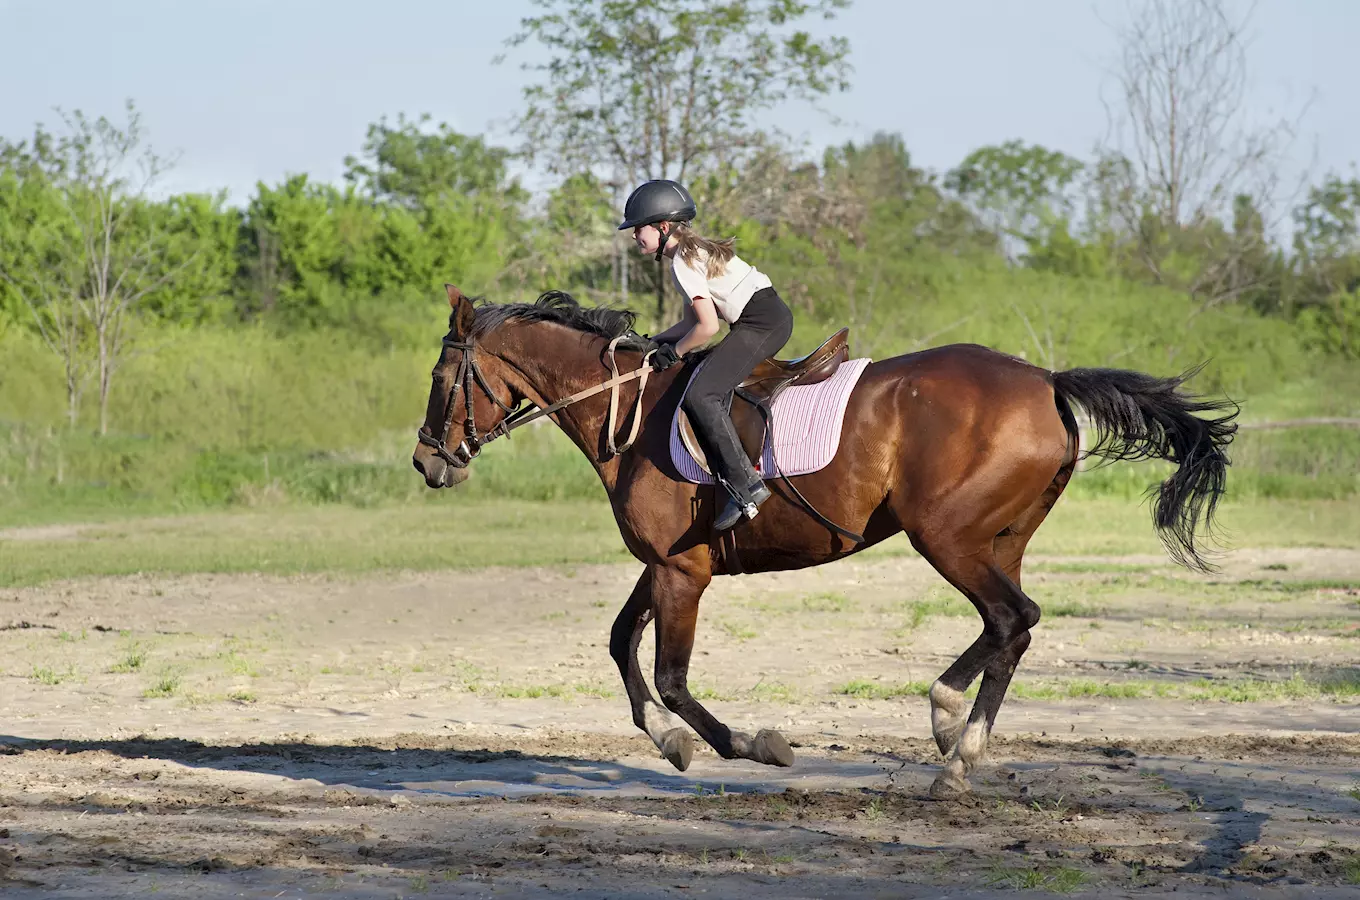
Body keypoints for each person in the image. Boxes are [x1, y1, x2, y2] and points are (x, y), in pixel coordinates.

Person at [618, 179, 794, 531]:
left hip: (760, 323)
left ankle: (746, 486)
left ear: (663, 227)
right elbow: (689, 322)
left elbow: (708, 327)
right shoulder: (687, 254)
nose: (634, 236)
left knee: (701, 396)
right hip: (766, 317)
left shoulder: (683, 263)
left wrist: (675, 353)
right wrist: (652, 342)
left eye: (638, 229)